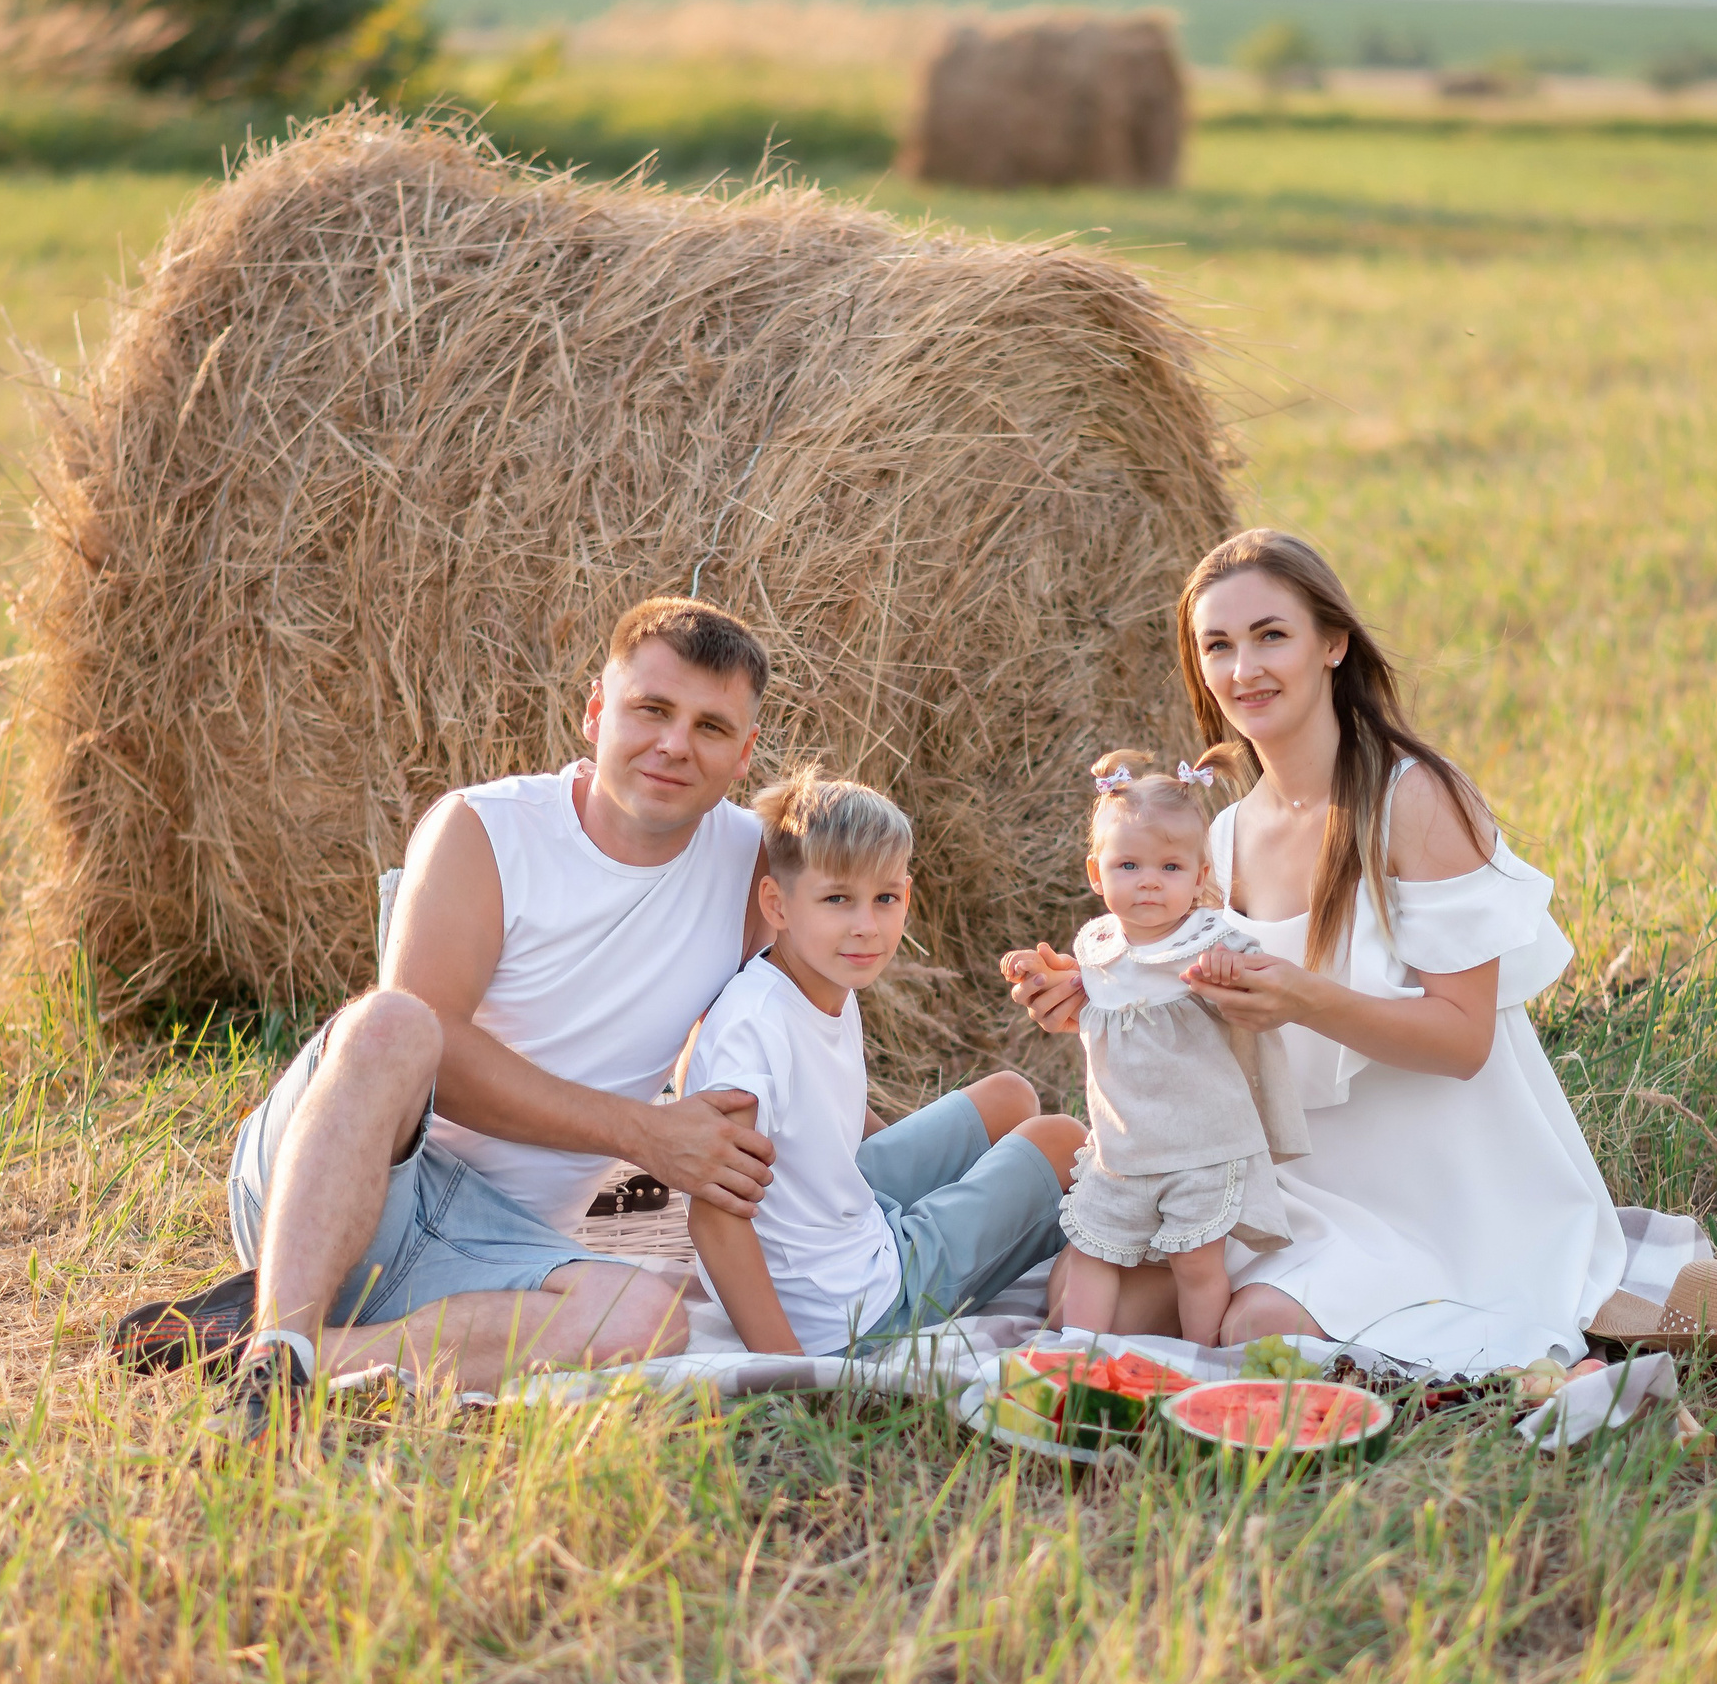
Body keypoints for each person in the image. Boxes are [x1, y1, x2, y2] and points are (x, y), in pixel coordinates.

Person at [1009, 530, 1707, 1372]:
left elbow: (1462, 1040)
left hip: (1445, 1190)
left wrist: (1305, 998)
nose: (1245, 670)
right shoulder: (1222, 840)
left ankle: (1491, 1323)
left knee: (1252, 1331)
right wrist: (1099, 991)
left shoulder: (1416, 801)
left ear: (1333, 643)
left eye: (1272, 635)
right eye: (1218, 647)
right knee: (1086, 1306)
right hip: (1298, 1183)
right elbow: (1206, 1025)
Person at [118, 597, 795, 1442]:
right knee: (395, 1022)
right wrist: (646, 1135)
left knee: (646, 1324)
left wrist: (904, 1155)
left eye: (710, 726)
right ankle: (277, 1350)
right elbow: (427, 1054)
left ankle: (284, 1352)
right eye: (651, 710)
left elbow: (781, 1042)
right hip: (354, 1172)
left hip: (498, 1243)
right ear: (595, 711)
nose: (674, 744)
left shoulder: (750, 870)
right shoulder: (486, 829)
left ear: (744, 755)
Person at [686, 769, 1083, 1356]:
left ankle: (940, 1222)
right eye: (837, 899)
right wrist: (790, 1369)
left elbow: (823, 1113)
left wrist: (921, 1186)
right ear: (777, 903)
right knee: (1063, 1141)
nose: (866, 927)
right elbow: (714, 1216)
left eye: (885, 898)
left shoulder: (810, 976)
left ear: (907, 895)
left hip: (838, 1221)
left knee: (1011, 1096)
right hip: (849, 1307)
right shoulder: (755, 1029)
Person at [1001, 749, 1307, 1344]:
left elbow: (1262, 987)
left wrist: (1228, 974)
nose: (1148, 882)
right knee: (1094, 1252)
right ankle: (1074, 1359)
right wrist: (1033, 968)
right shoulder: (1097, 945)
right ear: (1097, 873)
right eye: (1129, 865)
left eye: (1170, 868)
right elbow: (1079, 986)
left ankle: (1200, 1361)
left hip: (1200, 1146)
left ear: (1199, 878)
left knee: (1198, 1264)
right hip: (1122, 1148)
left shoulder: (1210, 942)